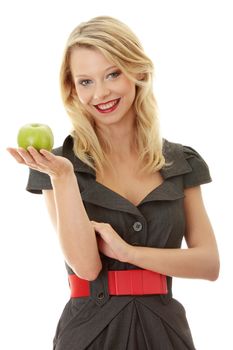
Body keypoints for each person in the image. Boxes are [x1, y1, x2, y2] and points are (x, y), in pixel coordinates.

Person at [7, 16, 220, 350]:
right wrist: (63, 177)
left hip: (165, 331)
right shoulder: (58, 165)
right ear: (73, 89)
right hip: (90, 334)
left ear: (137, 72)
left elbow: (209, 264)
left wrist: (129, 252)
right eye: (86, 81)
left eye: (112, 74)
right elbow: (87, 267)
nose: (101, 93)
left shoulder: (182, 162)